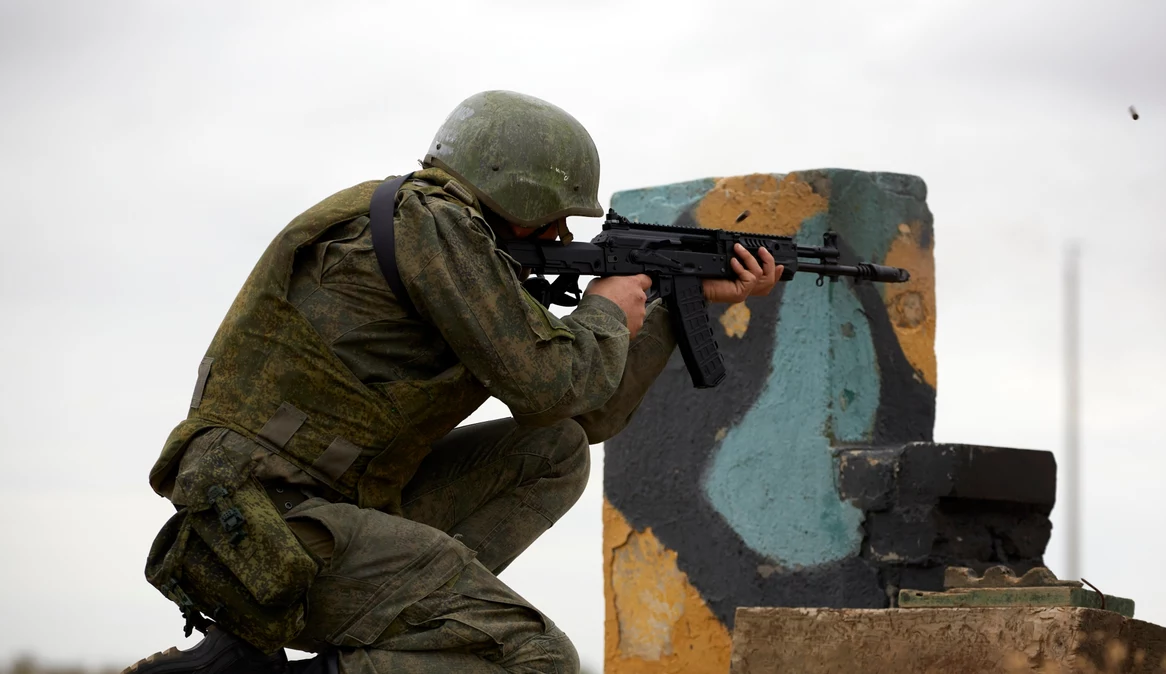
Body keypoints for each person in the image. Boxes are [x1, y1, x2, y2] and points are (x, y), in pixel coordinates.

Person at [127, 90, 782, 674]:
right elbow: (555, 385)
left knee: (554, 451)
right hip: (263, 532)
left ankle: (382, 636)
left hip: (310, 511)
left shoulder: (435, 235)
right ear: (521, 195)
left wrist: (670, 305)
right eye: (554, 214)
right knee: (537, 660)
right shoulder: (434, 230)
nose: (559, 233)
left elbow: (588, 412)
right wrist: (606, 307)